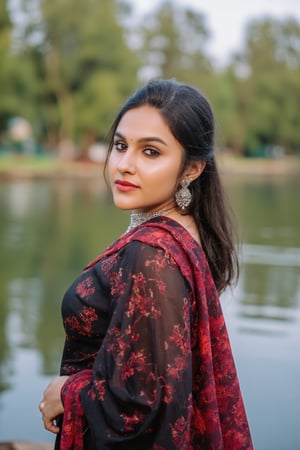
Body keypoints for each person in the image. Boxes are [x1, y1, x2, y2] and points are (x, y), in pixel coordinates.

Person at [39, 79, 253, 449]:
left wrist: (67, 392)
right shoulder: (178, 237)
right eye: (121, 145)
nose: (123, 165)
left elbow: (143, 405)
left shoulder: (152, 256)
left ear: (192, 169)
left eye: (150, 152)